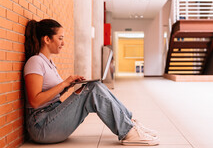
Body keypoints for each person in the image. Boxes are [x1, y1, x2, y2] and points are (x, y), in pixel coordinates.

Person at [23, 19, 159, 146]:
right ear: (47, 39)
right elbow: (35, 101)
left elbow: (52, 94)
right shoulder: (35, 62)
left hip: (53, 116)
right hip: (41, 126)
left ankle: (129, 124)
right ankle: (128, 131)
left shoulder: (49, 63)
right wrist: (64, 84)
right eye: (60, 38)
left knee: (95, 85)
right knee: (92, 89)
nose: (63, 43)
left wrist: (69, 85)